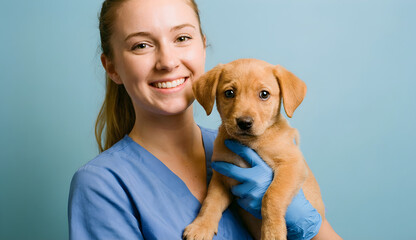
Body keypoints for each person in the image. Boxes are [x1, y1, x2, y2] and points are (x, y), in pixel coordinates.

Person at [68, 0, 342, 239]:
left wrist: (308, 225)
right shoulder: (102, 186)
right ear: (112, 68)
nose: (167, 61)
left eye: (182, 38)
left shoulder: (239, 146)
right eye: (141, 45)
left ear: (203, 46)